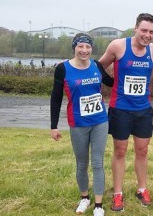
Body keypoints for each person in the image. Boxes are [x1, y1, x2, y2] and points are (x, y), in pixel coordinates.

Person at [98, 13, 153, 212]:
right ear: (135, 28)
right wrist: (102, 87)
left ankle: (142, 189)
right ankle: (118, 193)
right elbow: (97, 67)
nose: (147, 35)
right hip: (120, 109)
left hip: (143, 110)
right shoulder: (118, 46)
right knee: (120, 151)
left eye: (151, 32)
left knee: (142, 151)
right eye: (144, 30)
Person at [50, 33, 113, 216]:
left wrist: (127, 69)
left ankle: (99, 205)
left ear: (91, 49)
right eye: (80, 46)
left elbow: (111, 82)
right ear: (74, 48)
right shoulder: (62, 69)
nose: (84, 50)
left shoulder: (96, 65)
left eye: (87, 47)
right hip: (78, 123)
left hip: (100, 121)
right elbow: (55, 99)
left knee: (98, 163)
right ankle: (85, 198)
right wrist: (54, 126)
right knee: (81, 164)